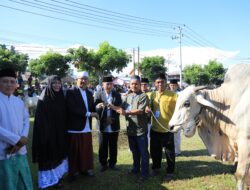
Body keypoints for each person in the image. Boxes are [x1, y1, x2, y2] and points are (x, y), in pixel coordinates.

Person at [32, 75, 68, 189]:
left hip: (60, 132)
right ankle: (49, 180)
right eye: (54, 83)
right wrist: (46, 133)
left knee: (59, 154)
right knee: (49, 155)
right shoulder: (44, 98)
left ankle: (58, 177)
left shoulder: (61, 96)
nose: (57, 85)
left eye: (59, 83)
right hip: (48, 134)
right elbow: (40, 119)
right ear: (49, 84)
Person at [0, 68, 33, 190]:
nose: (9, 84)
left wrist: (23, 138)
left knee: (23, 183)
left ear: (16, 84)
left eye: (12, 81)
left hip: (20, 151)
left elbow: (26, 119)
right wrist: (16, 140)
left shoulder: (18, 101)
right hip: (4, 152)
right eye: (5, 81)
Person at [66, 71, 99, 182]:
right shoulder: (70, 92)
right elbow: (71, 108)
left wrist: (98, 107)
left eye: (85, 79)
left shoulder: (89, 93)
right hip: (74, 127)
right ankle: (72, 172)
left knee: (85, 150)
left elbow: (91, 108)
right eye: (81, 78)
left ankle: (84, 169)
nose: (83, 81)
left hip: (86, 126)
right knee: (74, 151)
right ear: (77, 79)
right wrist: (89, 114)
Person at [116, 75, 149, 182]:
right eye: (132, 84)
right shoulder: (128, 96)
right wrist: (112, 106)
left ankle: (144, 174)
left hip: (140, 130)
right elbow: (122, 107)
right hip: (130, 130)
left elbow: (140, 111)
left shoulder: (143, 96)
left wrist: (126, 112)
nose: (134, 86)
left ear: (140, 85)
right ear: (129, 85)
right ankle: (136, 168)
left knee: (143, 153)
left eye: (136, 84)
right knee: (134, 151)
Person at [147, 73, 178, 181]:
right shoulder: (152, 95)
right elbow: (149, 108)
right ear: (155, 83)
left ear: (166, 83)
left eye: (162, 82)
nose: (160, 84)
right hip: (155, 128)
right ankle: (156, 168)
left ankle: (170, 172)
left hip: (168, 129)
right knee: (155, 151)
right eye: (158, 82)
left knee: (169, 152)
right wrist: (147, 109)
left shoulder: (173, 95)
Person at [94, 76, 122, 172]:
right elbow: (94, 108)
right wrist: (99, 106)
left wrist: (112, 119)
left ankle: (112, 163)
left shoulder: (117, 95)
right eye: (107, 84)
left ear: (113, 84)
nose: (109, 86)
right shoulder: (98, 94)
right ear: (103, 84)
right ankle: (103, 164)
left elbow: (120, 108)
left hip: (114, 124)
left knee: (113, 146)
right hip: (102, 125)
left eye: (110, 84)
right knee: (102, 146)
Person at [169, 79, 181, 156]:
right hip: (168, 117)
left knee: (176, 135)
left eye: (174, 85)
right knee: (167, 135)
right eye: (171, 85)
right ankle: (168, 150)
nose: (173, 87)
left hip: (177, 117)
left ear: (177, 86)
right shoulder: (167, 94)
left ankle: (177, 151)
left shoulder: (180, 94)